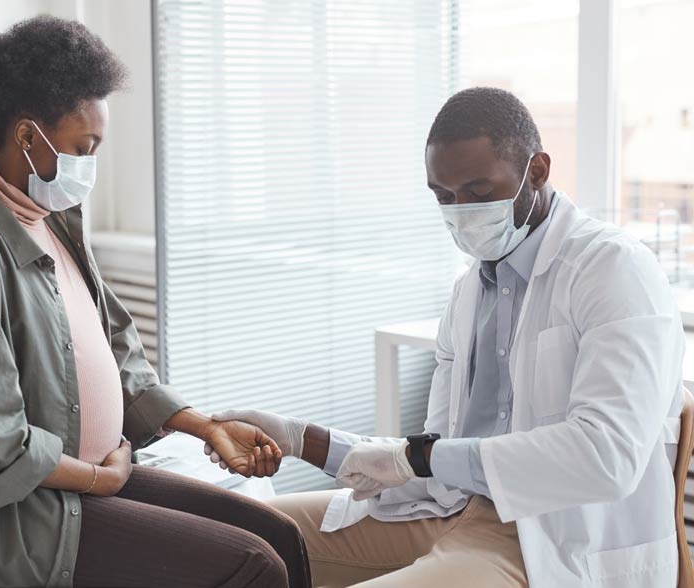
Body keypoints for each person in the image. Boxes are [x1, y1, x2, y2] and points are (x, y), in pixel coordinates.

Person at [207, 87, 687, 587]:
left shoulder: (613, 270)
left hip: (550, 540)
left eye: (479, 193)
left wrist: (417, 457)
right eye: (444, 197)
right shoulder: (468, 291)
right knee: (223, 539)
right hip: (448, 509)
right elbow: (431, 457)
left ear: (538, 171)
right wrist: (299, 438)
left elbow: (605, 457)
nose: (462, 212)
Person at [0, 16, 311, 588]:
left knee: (283, 535)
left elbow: (118, 354)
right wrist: (99, 479)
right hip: (19, 514)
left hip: (90, 475)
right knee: (255, 566)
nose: (88, 165)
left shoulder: (52, 223)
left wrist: (207, 427)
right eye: (82, 148)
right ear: (26, 135)